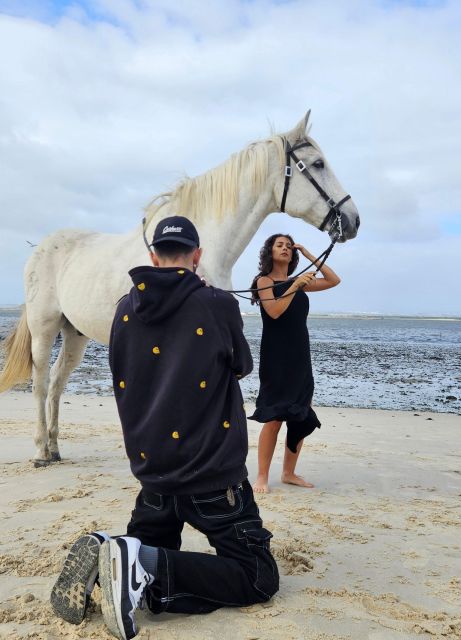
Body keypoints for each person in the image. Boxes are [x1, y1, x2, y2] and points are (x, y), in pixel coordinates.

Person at [50, 216, 279, 640]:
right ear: (197, 256)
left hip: (153, 475)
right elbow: (243, 366)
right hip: (211, 474)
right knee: (258, 577)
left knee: (148, 562)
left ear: (153, 256)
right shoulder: (216, 304)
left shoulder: (123, 310)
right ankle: (136, 562)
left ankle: (118, 553)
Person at [249, 234, 341, 494]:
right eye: (279, 245)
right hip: (276, 356)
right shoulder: (263, 281)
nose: (285, 249)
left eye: (289, 246)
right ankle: (262, 477)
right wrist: (295, 285)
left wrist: (311, 255)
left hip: (300, 355)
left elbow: (334, 280)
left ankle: (289, 472)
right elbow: (274, 311)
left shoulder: (297, 281)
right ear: (269, 251)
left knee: (300, 415)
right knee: (274, 416)